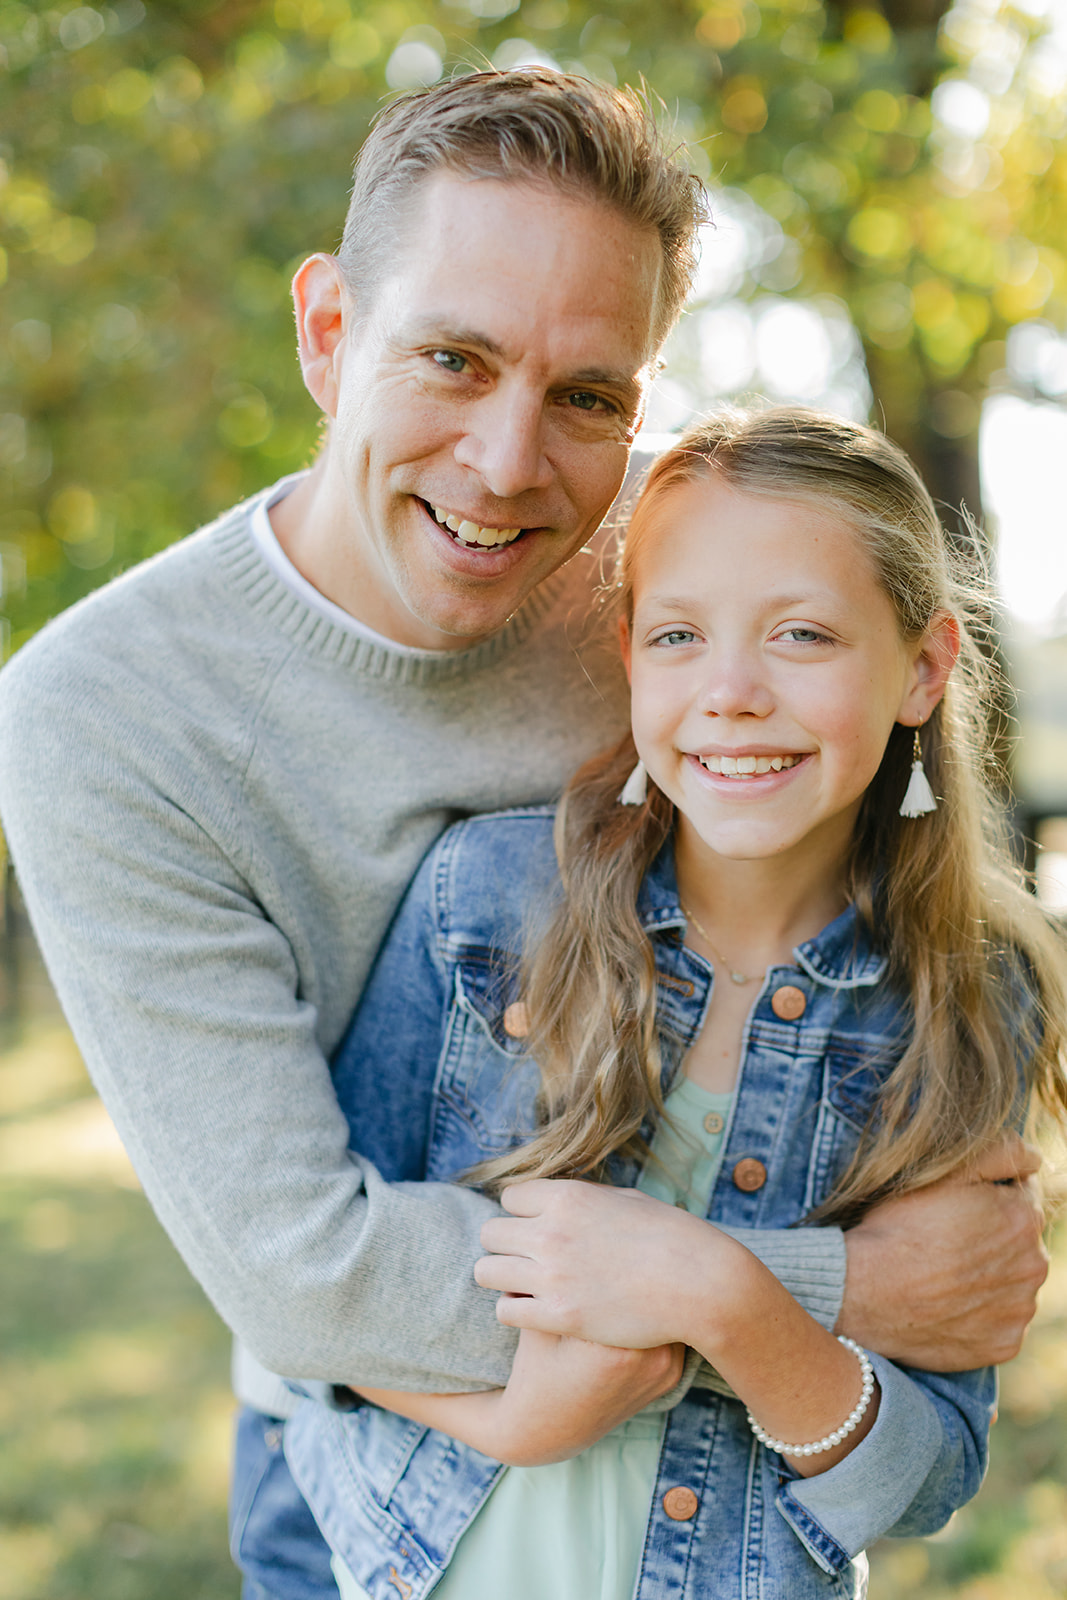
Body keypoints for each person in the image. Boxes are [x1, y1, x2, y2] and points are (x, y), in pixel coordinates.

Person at [0, 71, 1047, 1600]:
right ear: (326, 331)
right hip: (382, 1470)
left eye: (587, 396)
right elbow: (311, 1277)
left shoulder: (683, 578)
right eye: (449, 357)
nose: (505, 468)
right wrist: (838, 1291)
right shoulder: (105, 715)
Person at [293, 408, 1067, 1599]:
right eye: (677, 635)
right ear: (627, 651)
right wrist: (520, 1415)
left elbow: (922, 1479)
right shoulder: (488, 902)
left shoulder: (967, 996)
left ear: (920, 667)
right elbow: (309, 1294)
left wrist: (720, 1294)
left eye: (801, 633)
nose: (731, 692)